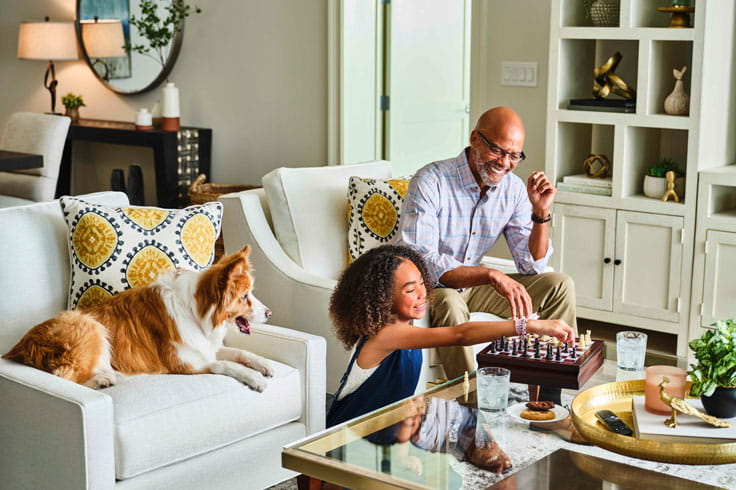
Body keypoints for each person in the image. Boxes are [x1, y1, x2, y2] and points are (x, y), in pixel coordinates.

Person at [397, 106, 577, 403]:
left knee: (560, 284)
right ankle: (475, 405)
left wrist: (541, 214)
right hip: (430, 289)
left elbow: (532, 264)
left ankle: (548, 401)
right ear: (475, 139)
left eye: (514, 155)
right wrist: (491, 275)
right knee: (451, 302)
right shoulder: (431, 180)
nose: (505, 163)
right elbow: (423, 261)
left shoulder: (514, 190)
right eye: (497, 150)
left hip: (474, 288)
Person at [325, 244, 574, 428]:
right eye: (411, 289)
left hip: (388, 429)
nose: (422, 293)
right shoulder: (386, 335)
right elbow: (461, 334)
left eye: (423, 283)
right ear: (382, 298)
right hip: (351, 436)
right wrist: (529, 326)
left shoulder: (406, 330)